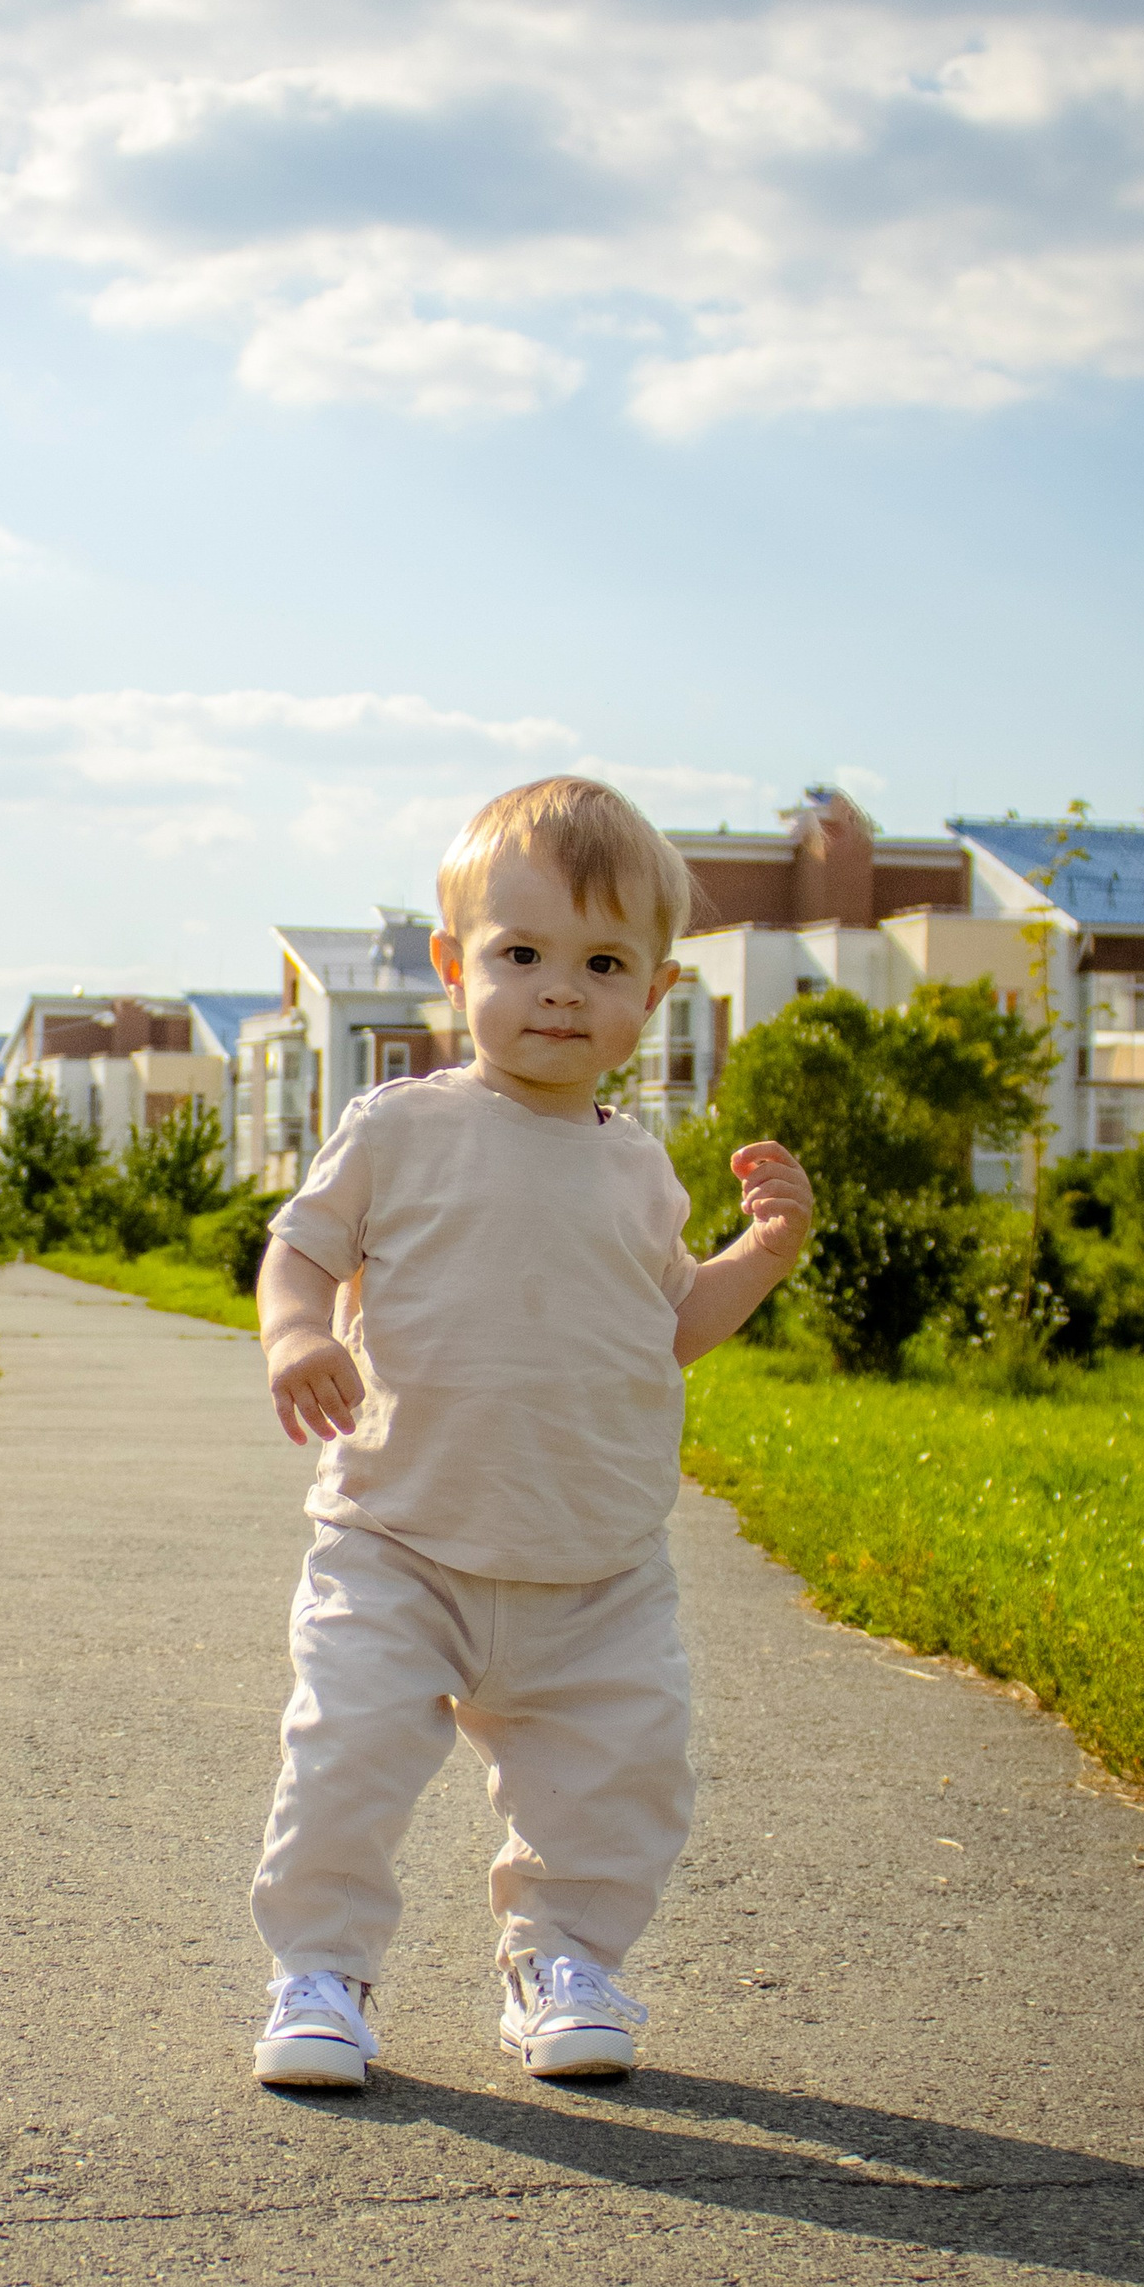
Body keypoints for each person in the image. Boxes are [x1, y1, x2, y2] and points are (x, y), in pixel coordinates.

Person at [248, 776, 814, 2091]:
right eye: (522, 954)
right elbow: (300, 1248)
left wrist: (763, 1253)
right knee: (344, 1755)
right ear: (455, 967)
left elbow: (672, 1321)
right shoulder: (400, 1126)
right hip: (400, 1540)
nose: (561, 989)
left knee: (616, 1779)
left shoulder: (639, 1168)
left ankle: (562, 1961)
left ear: (654, 994)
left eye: (602, 961)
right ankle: (319, 1973)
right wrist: (298, 1335)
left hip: (597, 1565)